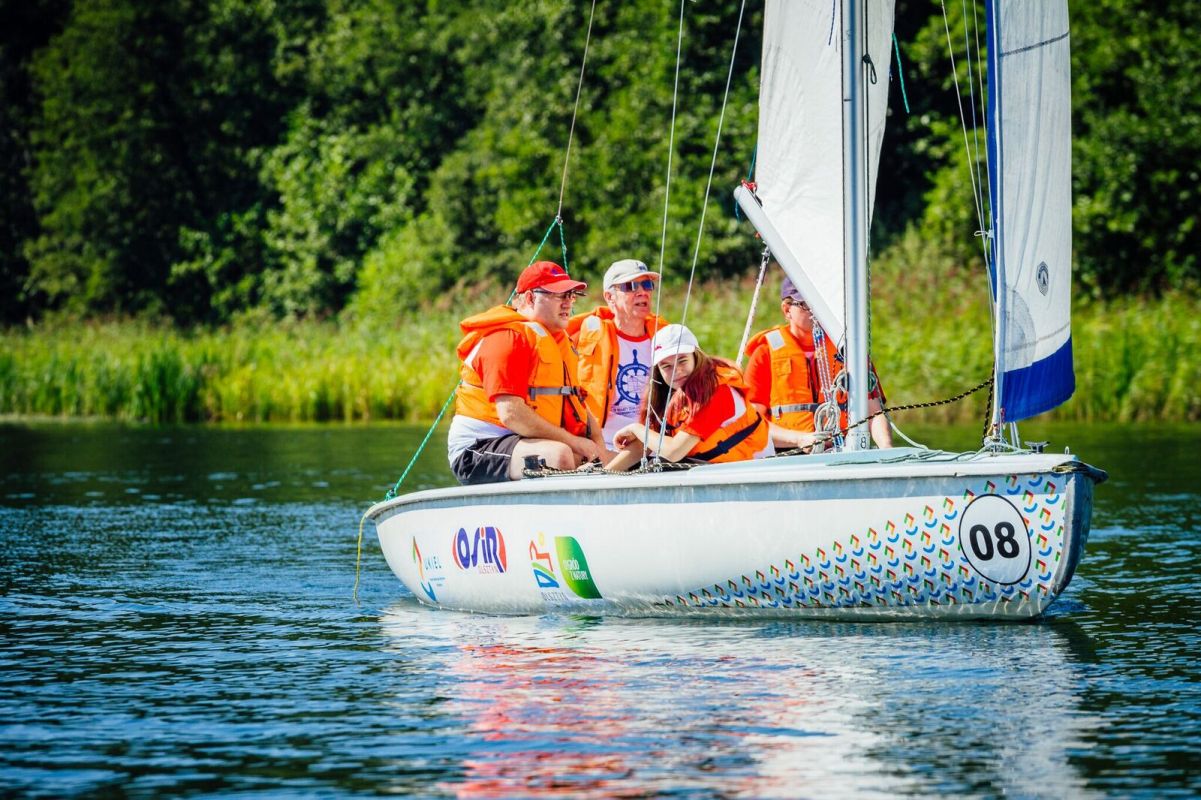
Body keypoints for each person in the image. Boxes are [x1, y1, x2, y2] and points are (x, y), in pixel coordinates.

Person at [447, 261, 611, 484]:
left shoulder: (555, 340)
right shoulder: (506, 337)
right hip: (477, 449)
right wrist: (574, 442)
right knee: (560, 455)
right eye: (559, 295)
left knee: (594, 456)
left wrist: (596, 441)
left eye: (571, 295)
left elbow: (576, 402)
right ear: (531, 298)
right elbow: (511, 414)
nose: (568, 303)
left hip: (524, 441)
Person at [743, 276, 893, 450]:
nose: (815, 311)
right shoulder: (765, 353)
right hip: (787, 452)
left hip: (843, 449)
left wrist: (887, 448)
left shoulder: (848, 350)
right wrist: (799, 439)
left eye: (820, 304)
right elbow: (752, 424)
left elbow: (874, 411)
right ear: (787, 310)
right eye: (806, 305)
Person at [607, 324, 773, 471]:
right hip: (714, 473)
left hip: (753, 472)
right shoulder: (673, 394)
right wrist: (607, 473)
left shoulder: (719, 393)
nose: (676, 371)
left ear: (696, 357)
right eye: (666, 366)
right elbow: (646, 444)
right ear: (659, 371)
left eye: (682, 361)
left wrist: (636, 429)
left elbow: (674, 452)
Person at [567, 258, 670, 448]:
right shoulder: (582, 336)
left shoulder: (665, 336)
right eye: (631, 286)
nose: (642, 292)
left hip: (656, 443)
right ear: (609, 297)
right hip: (603, 444)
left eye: (647, 285)